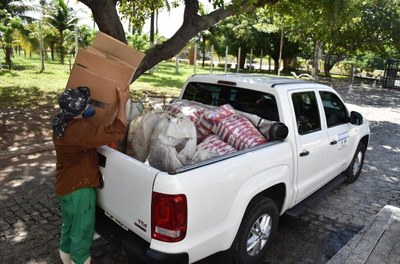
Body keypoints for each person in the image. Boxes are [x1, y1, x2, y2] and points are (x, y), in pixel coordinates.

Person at [52, 86, 130, 264]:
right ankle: (80, 260)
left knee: (70, 223)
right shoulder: (79, 132)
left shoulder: (60, 121)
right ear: (78, 110)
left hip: (64, 185)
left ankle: (65, 253)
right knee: (82, 229)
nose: (89, 107)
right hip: (79, 188)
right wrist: (123, 103)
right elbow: (117, 130)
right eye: (86, 104)